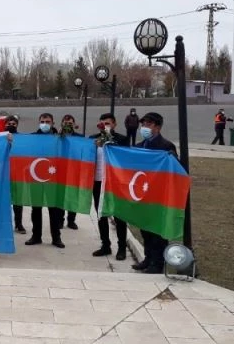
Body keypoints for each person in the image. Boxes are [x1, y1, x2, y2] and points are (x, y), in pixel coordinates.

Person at [133, 112, 178, 274]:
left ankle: (158, 263)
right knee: (145, 229)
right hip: (143, 195)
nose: (144, 128)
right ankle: (148, 258)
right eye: (143, 124)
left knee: (157, 231)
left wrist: (172, 158)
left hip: (159, 196)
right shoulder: (139, 146)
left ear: (158, 127)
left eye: (148, 125)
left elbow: (176, 171)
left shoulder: (166, 147)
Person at [90, 113, 129, 260]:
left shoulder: (122, 139)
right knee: (101, 215)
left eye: (108, 123)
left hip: (115, 182)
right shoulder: (93, 139)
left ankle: (121, 247)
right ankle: (105, 245)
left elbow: (125, 157)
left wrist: (108, 141)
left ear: (114, 124)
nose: (105, 126)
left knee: (119, 216)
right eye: (102, 123)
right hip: (98, 181)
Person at [25, 113, 65, 249]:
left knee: (54, 209)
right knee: (36, 209)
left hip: (53, 178)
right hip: (35, 177)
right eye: (42, 121)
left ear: (53, 123)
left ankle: (56, 237)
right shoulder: (32, 137)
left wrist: (65, 135)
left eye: (48, 121)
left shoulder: (59, 138)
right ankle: (36, 236)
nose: (45, 124)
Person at [60, 114, 83, 230]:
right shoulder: (57, 137)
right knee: (60, 195)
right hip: (61, 170)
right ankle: (60, 219)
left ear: (74, 124)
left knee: (73, 195)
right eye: (65, 123)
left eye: (70, 123)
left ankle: (71, 220)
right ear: (61, 124)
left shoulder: (80, 137)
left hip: (74, 169)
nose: (68, 125)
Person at [6, 115, 26, 234]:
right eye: (9, 123)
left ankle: (18, 224)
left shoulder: (22, 139)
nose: (11, 126)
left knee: (18, 201)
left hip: (18, 173)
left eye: (13, 124)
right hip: (3, 174)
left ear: (17, 125)